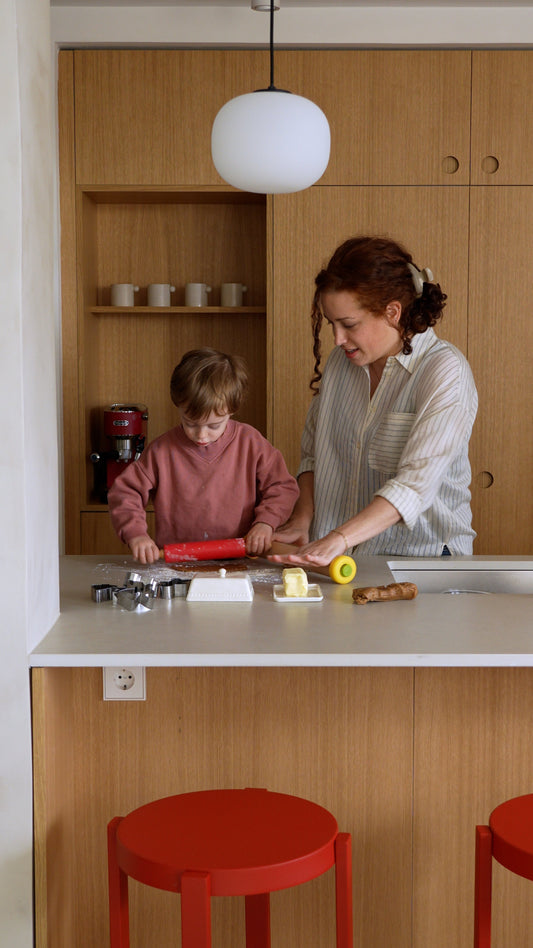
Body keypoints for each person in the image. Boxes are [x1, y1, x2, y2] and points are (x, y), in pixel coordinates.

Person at [271, 235, 478, 567]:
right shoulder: (341, 364)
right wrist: (302, 518)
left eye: (349, 325)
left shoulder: (444, 371)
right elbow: (313, 456)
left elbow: (414, 487)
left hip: (423, 559)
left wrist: (339, 537)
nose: (338, 339)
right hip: (339, 559)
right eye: (332, 324)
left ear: (393, 312)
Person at [108, 348, 299, 563]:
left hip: (241, 562)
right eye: (190, 423)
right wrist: (136, 535)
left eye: (214, 425)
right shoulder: (161, 451)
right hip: (178, 564)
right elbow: (125, 492)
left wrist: (266, 523)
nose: (201, 435)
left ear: (232, 409)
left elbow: (282, 487)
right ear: (178, 405)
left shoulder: (251, 443)